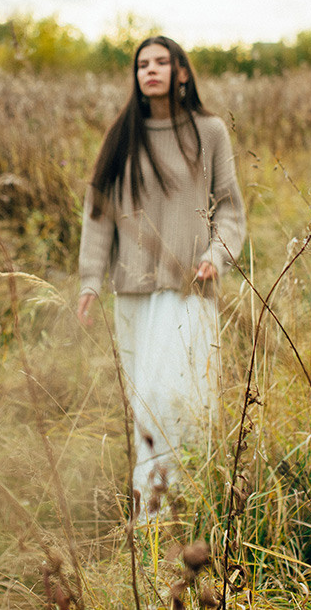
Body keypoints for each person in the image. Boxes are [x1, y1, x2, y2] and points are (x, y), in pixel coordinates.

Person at [76, 35, 246, 521]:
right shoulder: (122, 136)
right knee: (144, 402)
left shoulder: (209, 132)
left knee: (179, 397)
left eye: (160, 62)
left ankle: (180, 508)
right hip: (132, 290)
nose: (149, 70)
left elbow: (230, 208)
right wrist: (90, 280)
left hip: (189, 287)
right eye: (142, 64)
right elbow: (98, 215)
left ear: (182, 72)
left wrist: (218, 255)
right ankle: (155, 511)